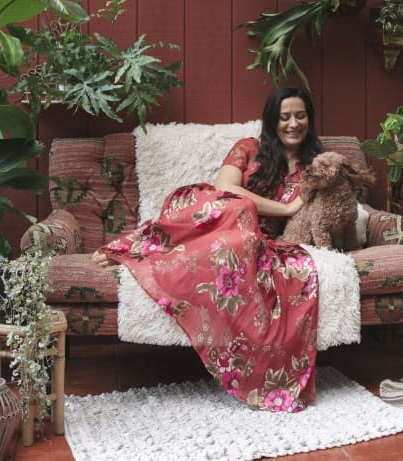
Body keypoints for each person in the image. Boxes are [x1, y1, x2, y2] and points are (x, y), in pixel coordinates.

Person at [92, 87, 323, 412]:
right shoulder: (249, 148)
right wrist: (284, 210)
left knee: (238, 242)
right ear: (273, 120)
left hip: (250, 238)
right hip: (217, 213)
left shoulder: (315, 168)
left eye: (300, 116)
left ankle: (143, 251)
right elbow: (226, 188)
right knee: (240, 210)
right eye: (285, 117)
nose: (293, 123)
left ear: (310, 120)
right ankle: (136, 245)